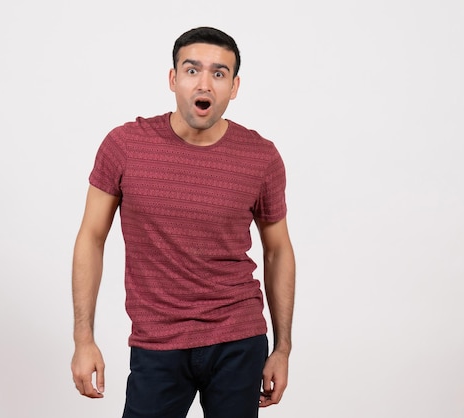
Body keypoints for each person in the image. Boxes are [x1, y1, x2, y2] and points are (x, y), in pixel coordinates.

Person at [70, 26, 295, 418]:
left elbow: (278, 250)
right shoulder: (125, 146)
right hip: (157, 343)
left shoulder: (261, 157)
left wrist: (282, 348)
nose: (204, 83)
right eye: (192, 71)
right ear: (173, 79)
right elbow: (91, 237)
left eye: (219, 73)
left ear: (234, 86)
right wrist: (83, 338)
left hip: (238, 338)